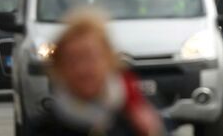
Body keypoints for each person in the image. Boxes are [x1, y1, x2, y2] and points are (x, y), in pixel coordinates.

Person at [34, 11, 164, 135]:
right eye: (73, 60)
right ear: (60, 69)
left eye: (91, 58)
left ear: (109, 60)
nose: (83, 70)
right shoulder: (48, 128)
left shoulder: (139, 115)